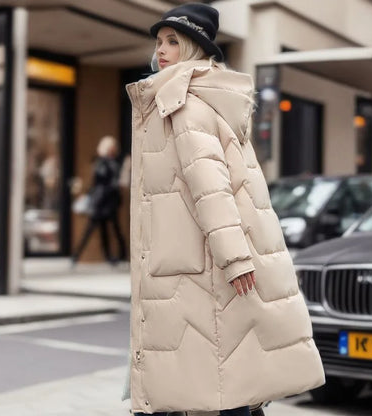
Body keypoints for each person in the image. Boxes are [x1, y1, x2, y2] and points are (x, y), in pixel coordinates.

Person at [125, 3, 325, 415]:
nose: (161, 50)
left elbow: (210, 186)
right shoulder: (205, 99)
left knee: (203, 379)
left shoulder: (183, 104)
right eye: (159, 42)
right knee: (223, 373)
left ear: (195, 49)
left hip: (196, 265)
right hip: (193, 260)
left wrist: (234, 259)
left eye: (173, 42)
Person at [72, 135, 127, 264]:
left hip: (105, 201)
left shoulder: (107, 162)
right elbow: (104, 182)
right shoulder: (105, 163)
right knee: (100, 230)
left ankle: (111, 256)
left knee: (105, 231)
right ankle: (77, 256)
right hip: (103, 202)